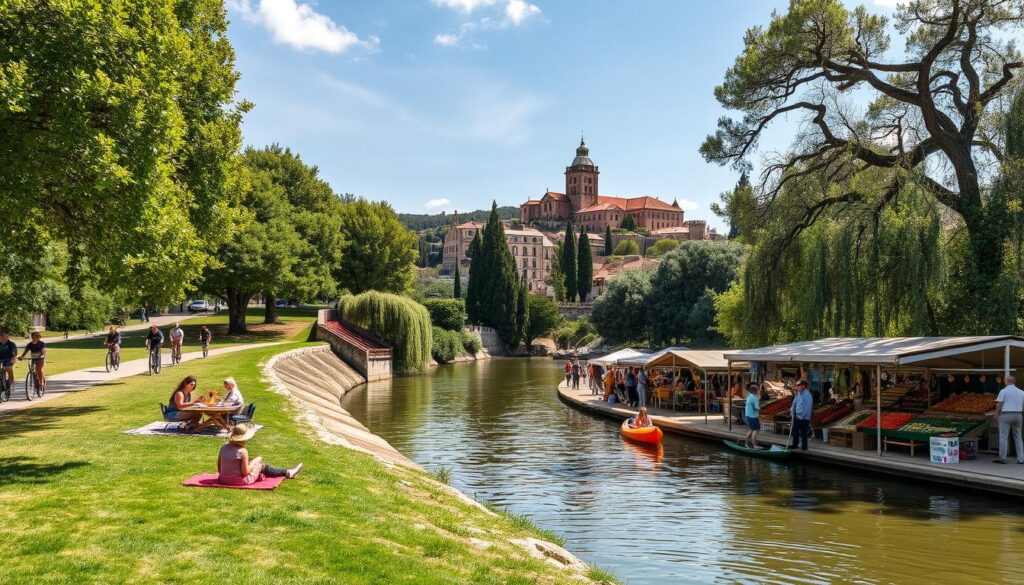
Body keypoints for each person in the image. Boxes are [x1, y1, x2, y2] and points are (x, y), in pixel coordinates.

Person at [217, 424, 302, 486]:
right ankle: (288, 473)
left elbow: (219, 469)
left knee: (254, 465)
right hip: (240, 482)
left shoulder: (223, 447)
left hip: (222, 480)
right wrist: (254, 462)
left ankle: (261, 476)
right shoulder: (243, 451)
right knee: (260, 465)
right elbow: (245, 473)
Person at [994, 376, 1024, 464]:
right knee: (1018, 437)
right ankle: (1021, 458)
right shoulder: (1022, 392)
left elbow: (999, 404)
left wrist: (996, 414)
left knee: (1003, 437)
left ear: (1006, 382)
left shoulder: (1003, 391)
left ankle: (1002, 458)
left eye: (1004, 381)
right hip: (1018, 414)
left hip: (1006, 414)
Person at [789, 379, 813, 451]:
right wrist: (792, 411)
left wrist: (802, 417)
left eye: (798, 386)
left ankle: (804, 446)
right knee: (795, 431)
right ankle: (795, 444)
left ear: (803, 386)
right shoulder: (798, 394)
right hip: (797, 415)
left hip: (804, 417)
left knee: (803, 432)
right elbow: (794, 403)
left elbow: (807, 408)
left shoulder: (808, 395)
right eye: (797, 386)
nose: (797, 387)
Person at [744, 383, 761, 449]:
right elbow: (757, 408)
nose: (759, 390)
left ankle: (746, 444)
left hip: (748, 416)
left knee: (751, 430)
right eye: (758, 390)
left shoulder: (749, 396)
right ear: (756, 391)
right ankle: (754, 444)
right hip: (753, 416)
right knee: (756, 430)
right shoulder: (755, 398)